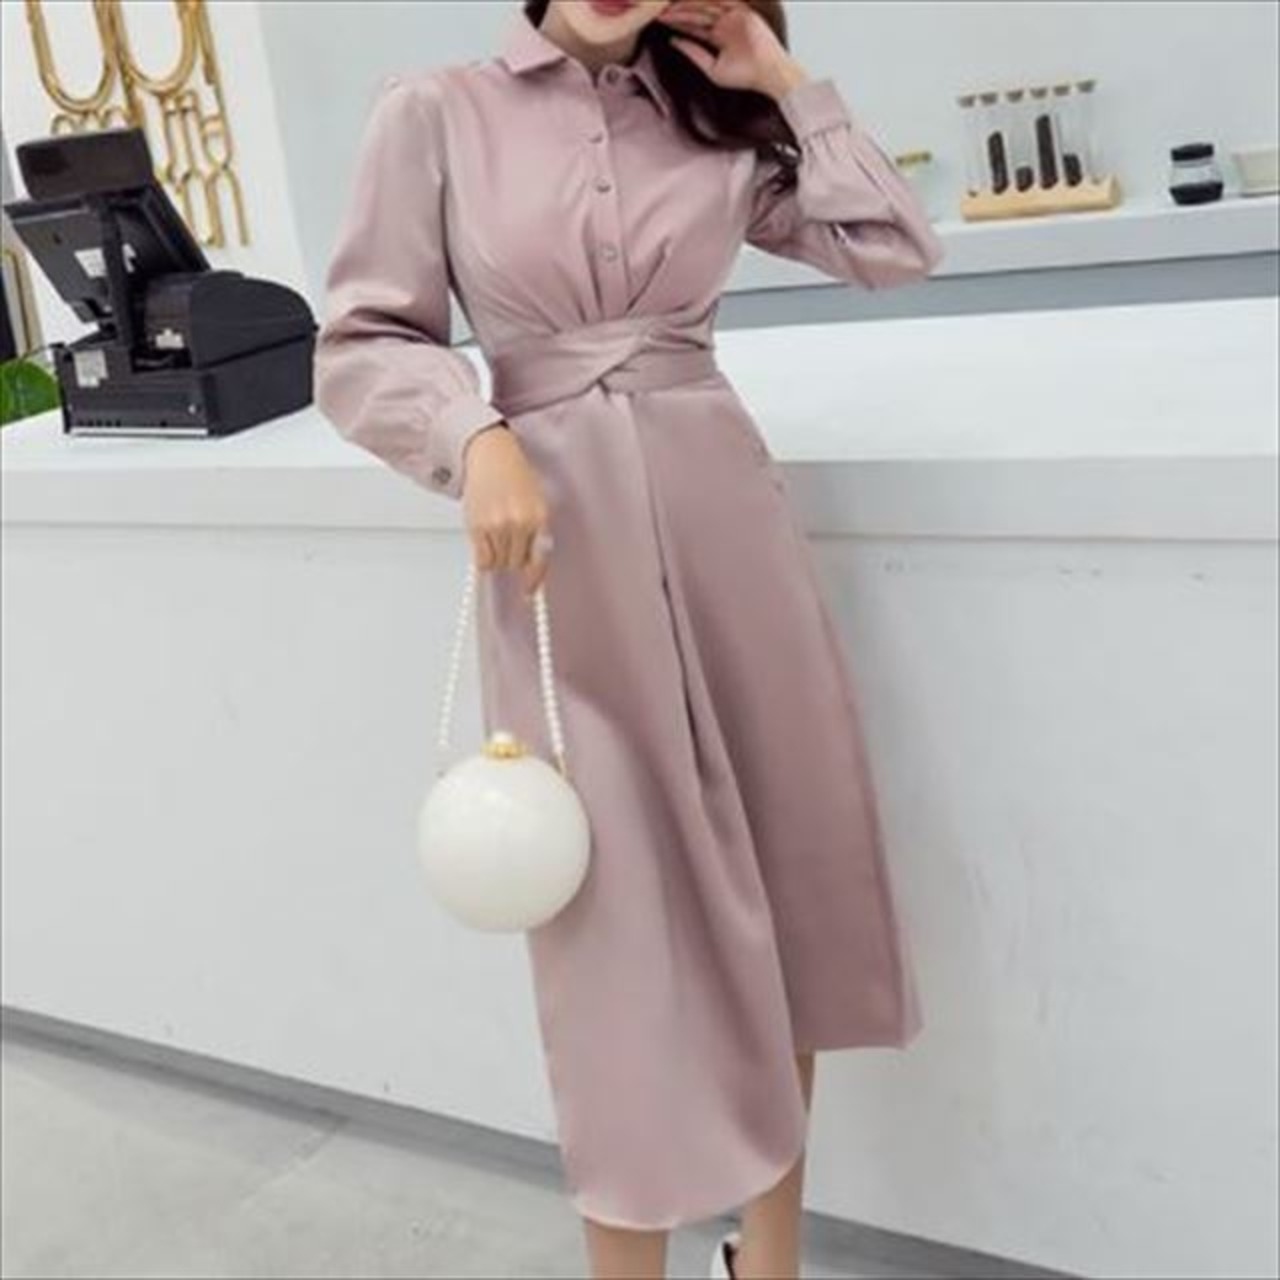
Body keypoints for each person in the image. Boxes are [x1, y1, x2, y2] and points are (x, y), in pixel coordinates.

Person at [314, 1, 944, 1276]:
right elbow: (362, 341)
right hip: (564, 563)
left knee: (783, 893)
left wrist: (781, 79)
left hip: (729, 538)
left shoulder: (711, 114)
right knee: (615, 947)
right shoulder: (435, 111)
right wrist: (474, 436)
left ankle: (766, 1263)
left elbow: (890, 243)